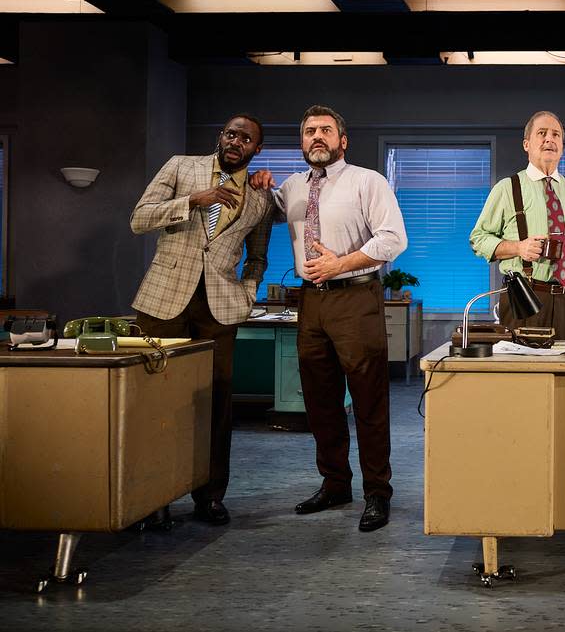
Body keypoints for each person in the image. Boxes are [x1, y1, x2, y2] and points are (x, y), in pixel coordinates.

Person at [130, 113, 274, 526]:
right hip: (162, 303)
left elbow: (258, 257)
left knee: (215, 404)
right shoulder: (180, 166)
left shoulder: (262, 198)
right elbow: (139, 218)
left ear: (256, 150)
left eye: (246, 138)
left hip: (219, 309)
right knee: (151, 400)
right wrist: (193, 201)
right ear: (220, 136)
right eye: (230, 133)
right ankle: (147, 497)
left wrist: (246, 294)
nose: (236, 141)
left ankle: (210, 496)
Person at [272, 105, 408, 532]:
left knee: (368, 400)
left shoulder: (368, 181)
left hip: (356, 297)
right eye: (309, 130)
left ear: (342, 141)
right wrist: (260, 183)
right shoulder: (292, 188)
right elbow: (265, 212)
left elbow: (393, 239)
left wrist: (341, 264)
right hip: (310, 302)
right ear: (302, 142)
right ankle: (335, 484)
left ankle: (377, 492)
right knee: (320, 400)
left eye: (326, 130)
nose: (317, 137)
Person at [470, 111, 565, 340]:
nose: (550, 139)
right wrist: (518, 248)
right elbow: (478, 239)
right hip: (525, 298)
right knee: (524, 372)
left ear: (562, 146)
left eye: (556, 135)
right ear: (527, 144)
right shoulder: (507, 188)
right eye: (542, 133)